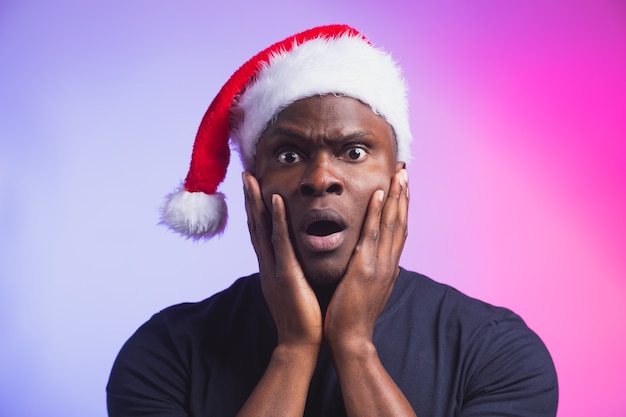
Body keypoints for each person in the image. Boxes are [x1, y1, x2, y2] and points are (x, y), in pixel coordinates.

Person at [106, 24, 558, 417]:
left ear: (398, 179)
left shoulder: (497, 352)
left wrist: (355, 347)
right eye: (289, 154)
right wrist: (294, 351)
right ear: (253, 186)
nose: (321, 178)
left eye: (355, 152)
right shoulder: (164, 354)